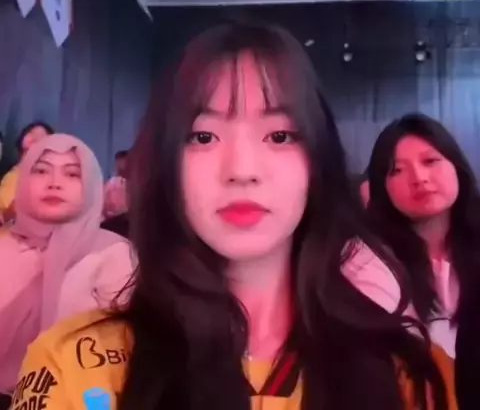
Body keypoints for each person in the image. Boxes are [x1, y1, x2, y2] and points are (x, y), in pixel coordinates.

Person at [11, 24, 456, 410]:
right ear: (166, 165)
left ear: (317, 161)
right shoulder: (76, 364)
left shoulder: (410, 373)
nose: (242, 170)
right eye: (203, 137)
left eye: (279, 135)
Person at [0, 134, 135, 403]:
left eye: (72, 174)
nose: (55, 183)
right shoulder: (4, 246)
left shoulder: (114, 252)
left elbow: (126, 349)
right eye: (41, 171)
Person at [366, 113, 480, 358]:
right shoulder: (369, 263)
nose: (419, 178)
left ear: (457, 167)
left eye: (430, 161)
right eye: (397, 170)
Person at [0, 121, 54, 223]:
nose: (35, 138)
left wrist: (8, 214)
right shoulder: (11, 170)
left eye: (42, 137)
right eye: (31, 133)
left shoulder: (41, 177)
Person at [103, 150, 129, 219]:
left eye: (122, 161)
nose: (120, 164)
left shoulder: (134, 184)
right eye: (118, 161)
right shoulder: (111, 183)